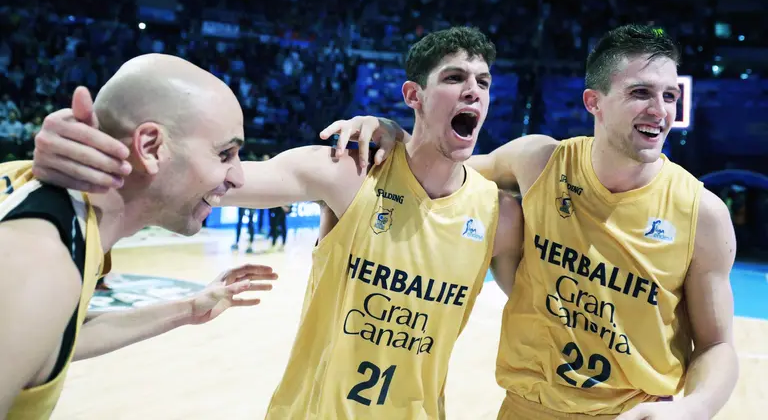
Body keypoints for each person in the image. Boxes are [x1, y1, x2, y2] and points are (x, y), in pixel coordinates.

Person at [30, 26, 524, 419]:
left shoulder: (496, 214)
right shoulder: (347, 171)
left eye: (483, 82)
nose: (473, 92)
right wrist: (91, 144)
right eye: (455, 78)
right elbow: (215, 177)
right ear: (413, 94)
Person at [322, 24, 739, 419]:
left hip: (632, 412)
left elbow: (717, 344)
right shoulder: (539, 162)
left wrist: (693, 409)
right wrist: (388, 130)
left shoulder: (702, 214)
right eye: (641, 93)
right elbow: (436, 170)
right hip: (524, 408)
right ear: (594, 102)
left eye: (669, 96)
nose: (660, 110)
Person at [0, 54, 278, 419]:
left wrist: (187, 308)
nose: (239, 177)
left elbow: (53, 340)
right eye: (224, 153)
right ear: (150, 147)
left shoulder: (58, 213)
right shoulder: (40, 263)